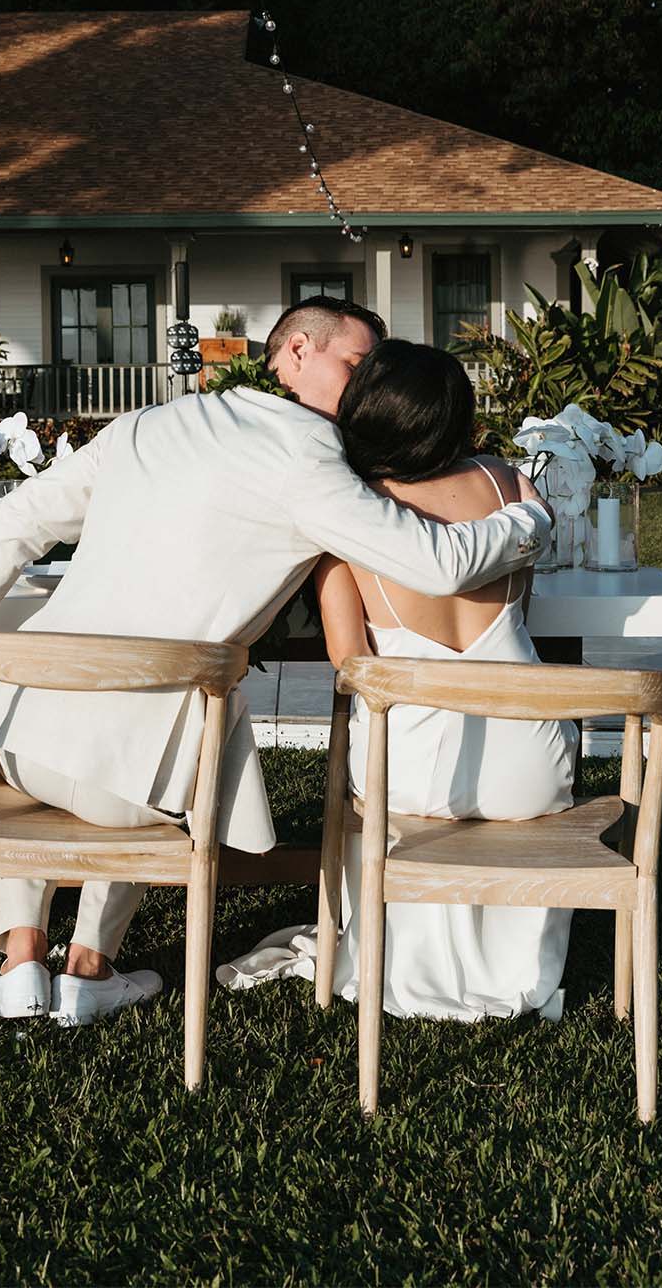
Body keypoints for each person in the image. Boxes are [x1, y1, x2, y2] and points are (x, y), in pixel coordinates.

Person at [0, 299, 553, 1028]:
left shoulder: (149, 422)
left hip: (20, 739)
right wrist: (529, 516)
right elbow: (435, 563)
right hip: (137, 785)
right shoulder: (313, 462)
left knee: (62, 754)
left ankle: (23, 958)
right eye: (356, 363)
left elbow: (17, 522)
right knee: (139, 758)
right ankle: (87, 968)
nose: (370, 383)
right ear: (297, 351)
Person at [219, 341, 576, 1021]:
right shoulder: (507, 486)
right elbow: (517, 606)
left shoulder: (348, 516)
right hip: (528, 765)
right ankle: (514, 972)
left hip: (410, 771)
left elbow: (350, 663)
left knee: (381, 767)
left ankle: (400, 956)